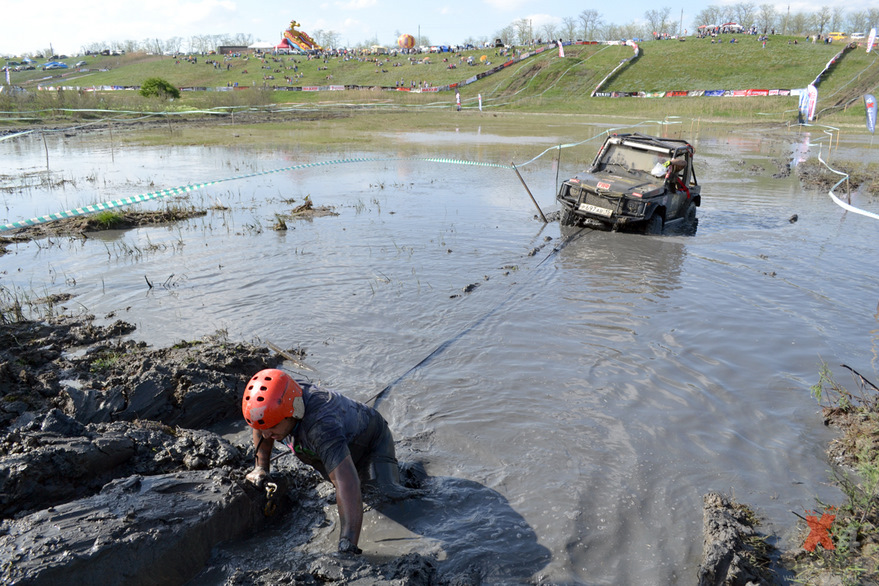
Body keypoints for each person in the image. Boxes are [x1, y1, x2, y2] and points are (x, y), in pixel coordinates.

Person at [242, 368, 402, 554]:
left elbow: (347, 483)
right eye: (263, 428)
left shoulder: (321, 426)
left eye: (273, 427)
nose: (266, 434)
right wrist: (260, 468)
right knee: (349, 481)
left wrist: (347, 544)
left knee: (387, 501)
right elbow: (261, 421)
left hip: (372, 443)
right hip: (336, 444)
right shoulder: (277, 404)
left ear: (293, 412)